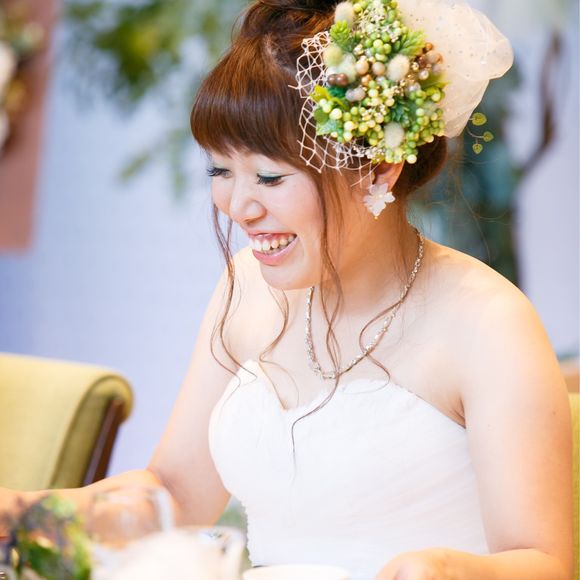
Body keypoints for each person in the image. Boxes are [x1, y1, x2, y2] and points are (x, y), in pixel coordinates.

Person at [1, 0, 574, 578]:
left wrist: (444, 570)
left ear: (379, 169)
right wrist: (19, 512)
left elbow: (545, 563)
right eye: (220, 171)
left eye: (270, 177)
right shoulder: (245, 286)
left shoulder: (488, 322)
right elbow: (173, 494)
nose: (239, 206)